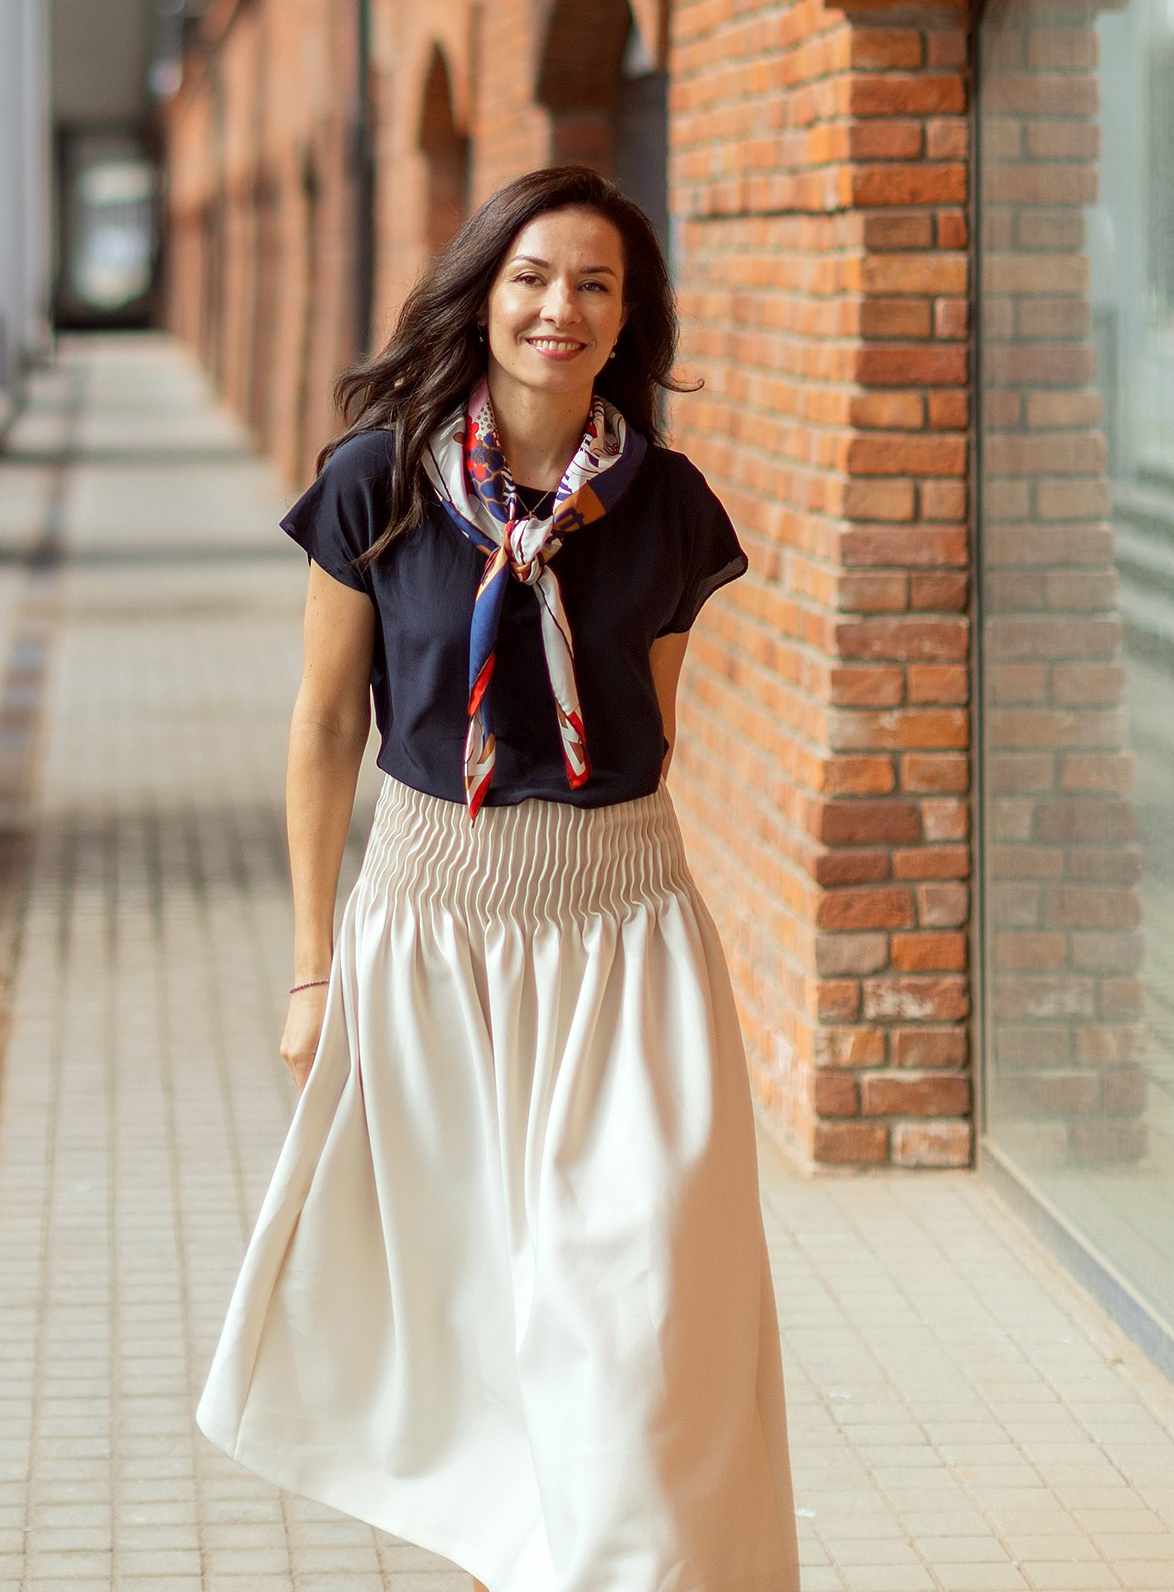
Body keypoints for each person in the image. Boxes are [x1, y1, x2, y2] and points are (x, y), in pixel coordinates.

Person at [197, 165, 800, 1592]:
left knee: (637, 1320)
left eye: (596, 283)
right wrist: (309, 968)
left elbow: (654, 731)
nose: (561, 308)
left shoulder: (670, 506)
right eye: (534, 276)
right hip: (425, 936)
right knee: (474, 1341)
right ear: (485, 290)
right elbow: (323, 726)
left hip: (622, 940)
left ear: (626, 314)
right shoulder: (377, 481)